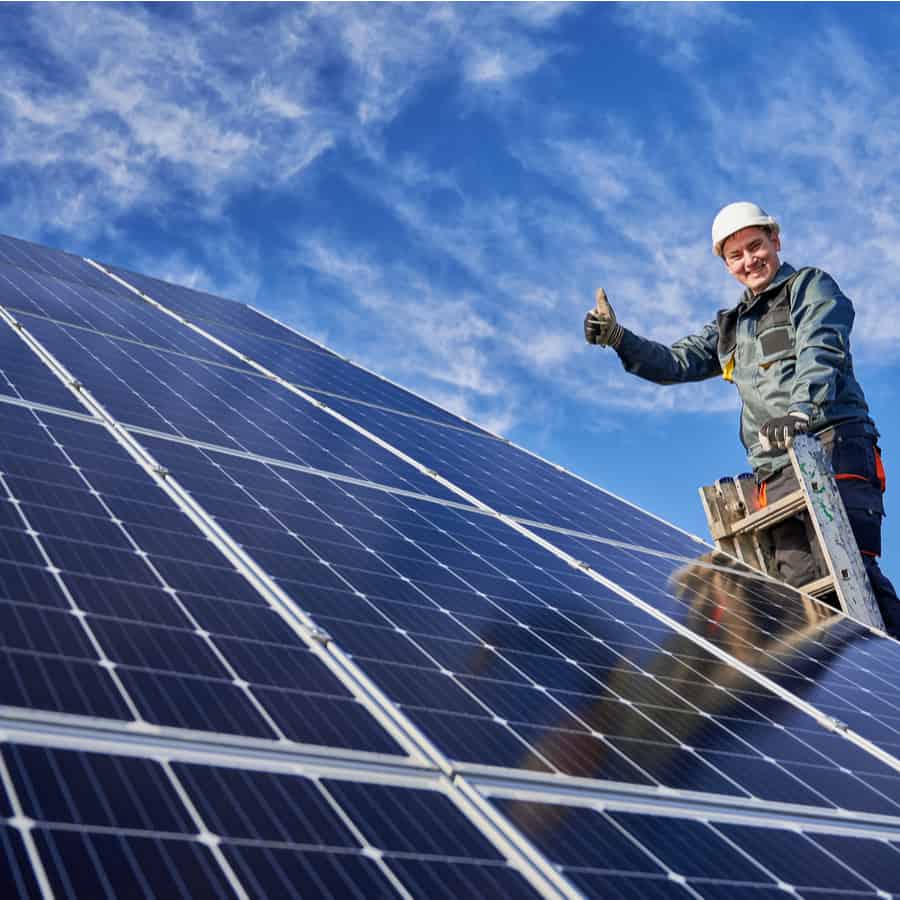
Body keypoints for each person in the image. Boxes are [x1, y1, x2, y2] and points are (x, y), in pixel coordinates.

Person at [584, 201, 900, 637]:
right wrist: (619, 339)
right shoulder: (731, 326)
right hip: (776, 468)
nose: (750, 260)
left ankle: (889, 677)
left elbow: (820, 347)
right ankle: (853, 694)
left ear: (775, 240)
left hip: (832, 445)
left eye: (756, 246)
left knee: (850, 569)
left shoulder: (809, 288)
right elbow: (674, 363)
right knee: (803, 590)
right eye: (737, 255)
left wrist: (800, 411)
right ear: (726, 263)